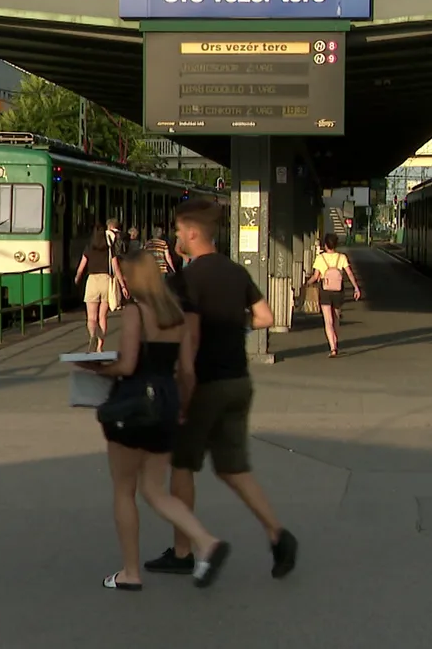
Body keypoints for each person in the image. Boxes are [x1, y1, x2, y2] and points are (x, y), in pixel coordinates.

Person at [144, 198, 298, 579]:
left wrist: (183, 390)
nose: (176, 236)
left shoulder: (187, 280)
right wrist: (232, 326)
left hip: (206, 384)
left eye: (179, 230)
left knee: (182, 465)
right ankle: (277, 534)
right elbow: (265, 317)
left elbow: (190, 340)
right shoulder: (235, 272)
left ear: (193, 232)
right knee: (233, 469)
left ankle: (184, 552)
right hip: (238, 382)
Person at [77, 250, 231, 591]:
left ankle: (130, 573)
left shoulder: (136, 312)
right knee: (153, 488)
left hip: (133, 405)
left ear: (132, 279)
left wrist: (96, 367)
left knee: (124, 490)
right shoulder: (176, 314)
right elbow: (187, 372)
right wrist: (182, 408)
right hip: (166, 402)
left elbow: (128, 365)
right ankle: (205, 540)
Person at [305, 233, 362, 358]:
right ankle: (336, 340)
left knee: (328, 321)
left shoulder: (320, 258)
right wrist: (356, 288)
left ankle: (333, 347)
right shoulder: (341, 257)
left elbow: (315, 276)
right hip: (338, 291)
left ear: (325, 245)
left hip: (325, 291)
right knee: (336, 318)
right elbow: (350, 274)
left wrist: (306, 283)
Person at [75, 226, 126, 352]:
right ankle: (99, 346)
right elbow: (116, 268)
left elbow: (82, 267)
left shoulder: (88, 248)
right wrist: (123, 286)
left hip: (92, 281)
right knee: (102, 316)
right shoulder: (109, 249)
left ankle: (92, 336)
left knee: (91, 318)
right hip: (106, 281)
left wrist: (77, 278)